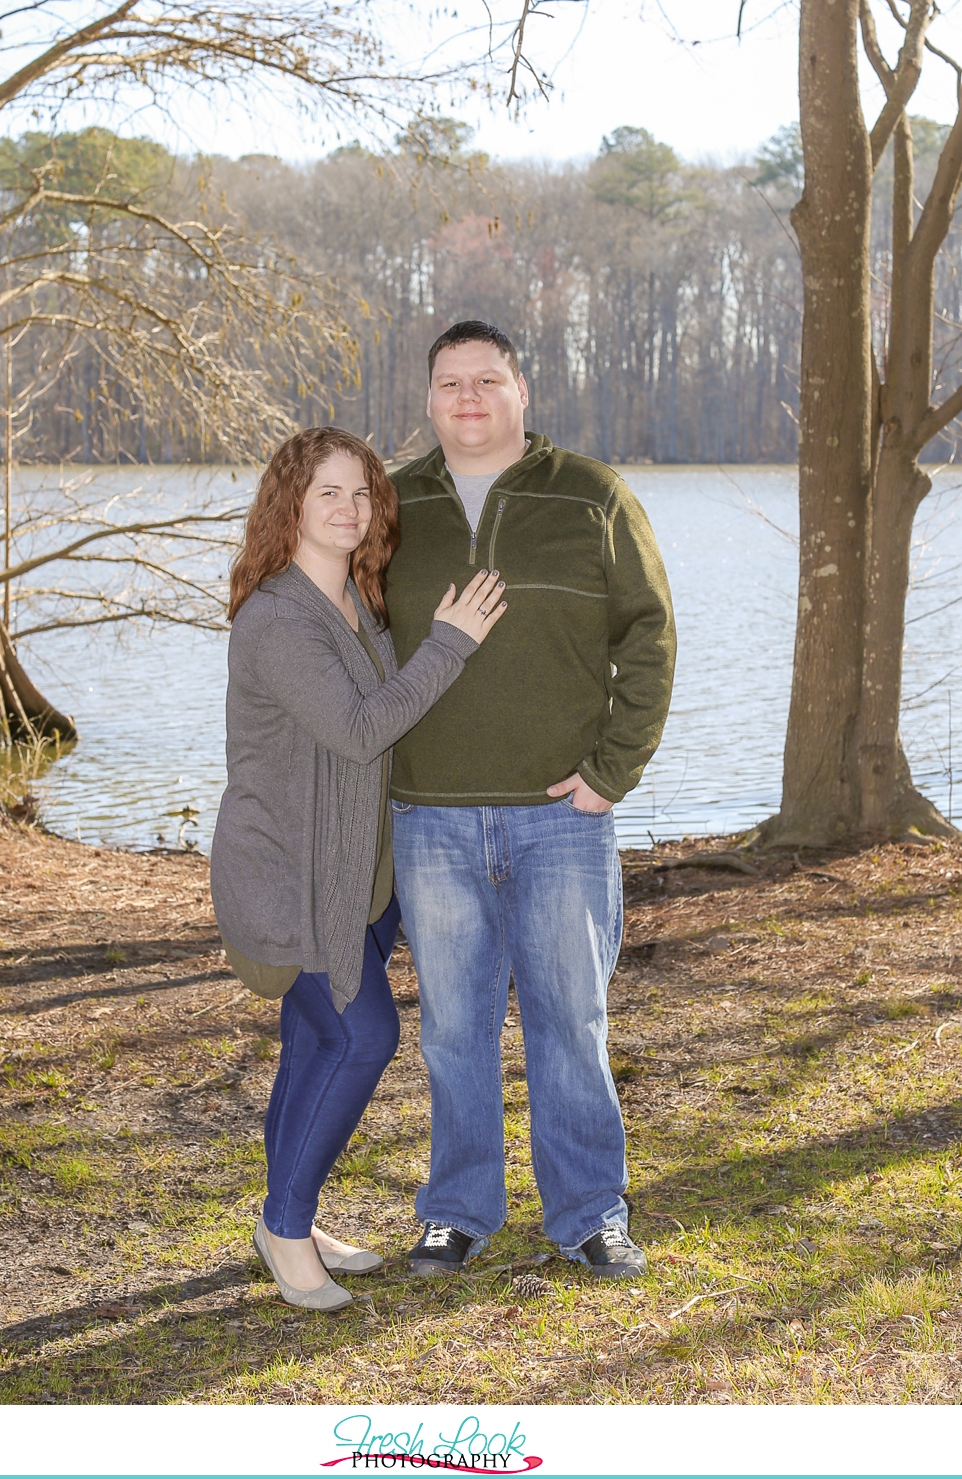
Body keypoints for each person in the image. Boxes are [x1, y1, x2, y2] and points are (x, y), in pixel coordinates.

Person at [384, 321, 676, 1280]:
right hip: (429, 813)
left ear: (521, 390)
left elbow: (650, 638)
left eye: (486, 380)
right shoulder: (393, 505)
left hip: (563, 816)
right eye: (449, 383)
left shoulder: (591, 496)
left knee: (570, 1020)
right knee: (453, 1026)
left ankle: (591, 1213)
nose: (467, 398)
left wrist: (611, 772)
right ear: (428, 400)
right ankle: (458, 1211)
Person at [209, 425, 505, 1312]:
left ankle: (287, 1212)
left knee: (313, 1046)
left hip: (357, 876)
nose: (349, 508)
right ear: (290, 505)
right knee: (360, 1036)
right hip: (289, 883)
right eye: (328, 492)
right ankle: (287, 1230)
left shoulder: (355, 606)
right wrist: (450, 641)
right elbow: (360, 728)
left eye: (363, 493)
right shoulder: (277, 616)